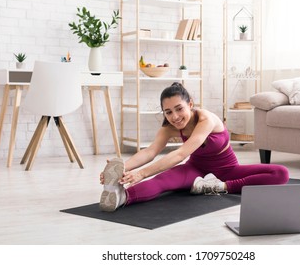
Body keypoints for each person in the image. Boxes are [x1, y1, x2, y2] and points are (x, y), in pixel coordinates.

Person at [99, 82, 289, 212]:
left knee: (281, 173)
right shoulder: (169, 128)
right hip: (195, 170)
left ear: (190, 104)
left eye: (179, 108)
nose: (175, 117)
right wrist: (124, 169)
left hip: (228, 171)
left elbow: (181, 153)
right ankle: (121, 197)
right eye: (168, 112)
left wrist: (141, 173)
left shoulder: (206, 119)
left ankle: (220, 187)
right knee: (162, 181)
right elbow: (150, 151)